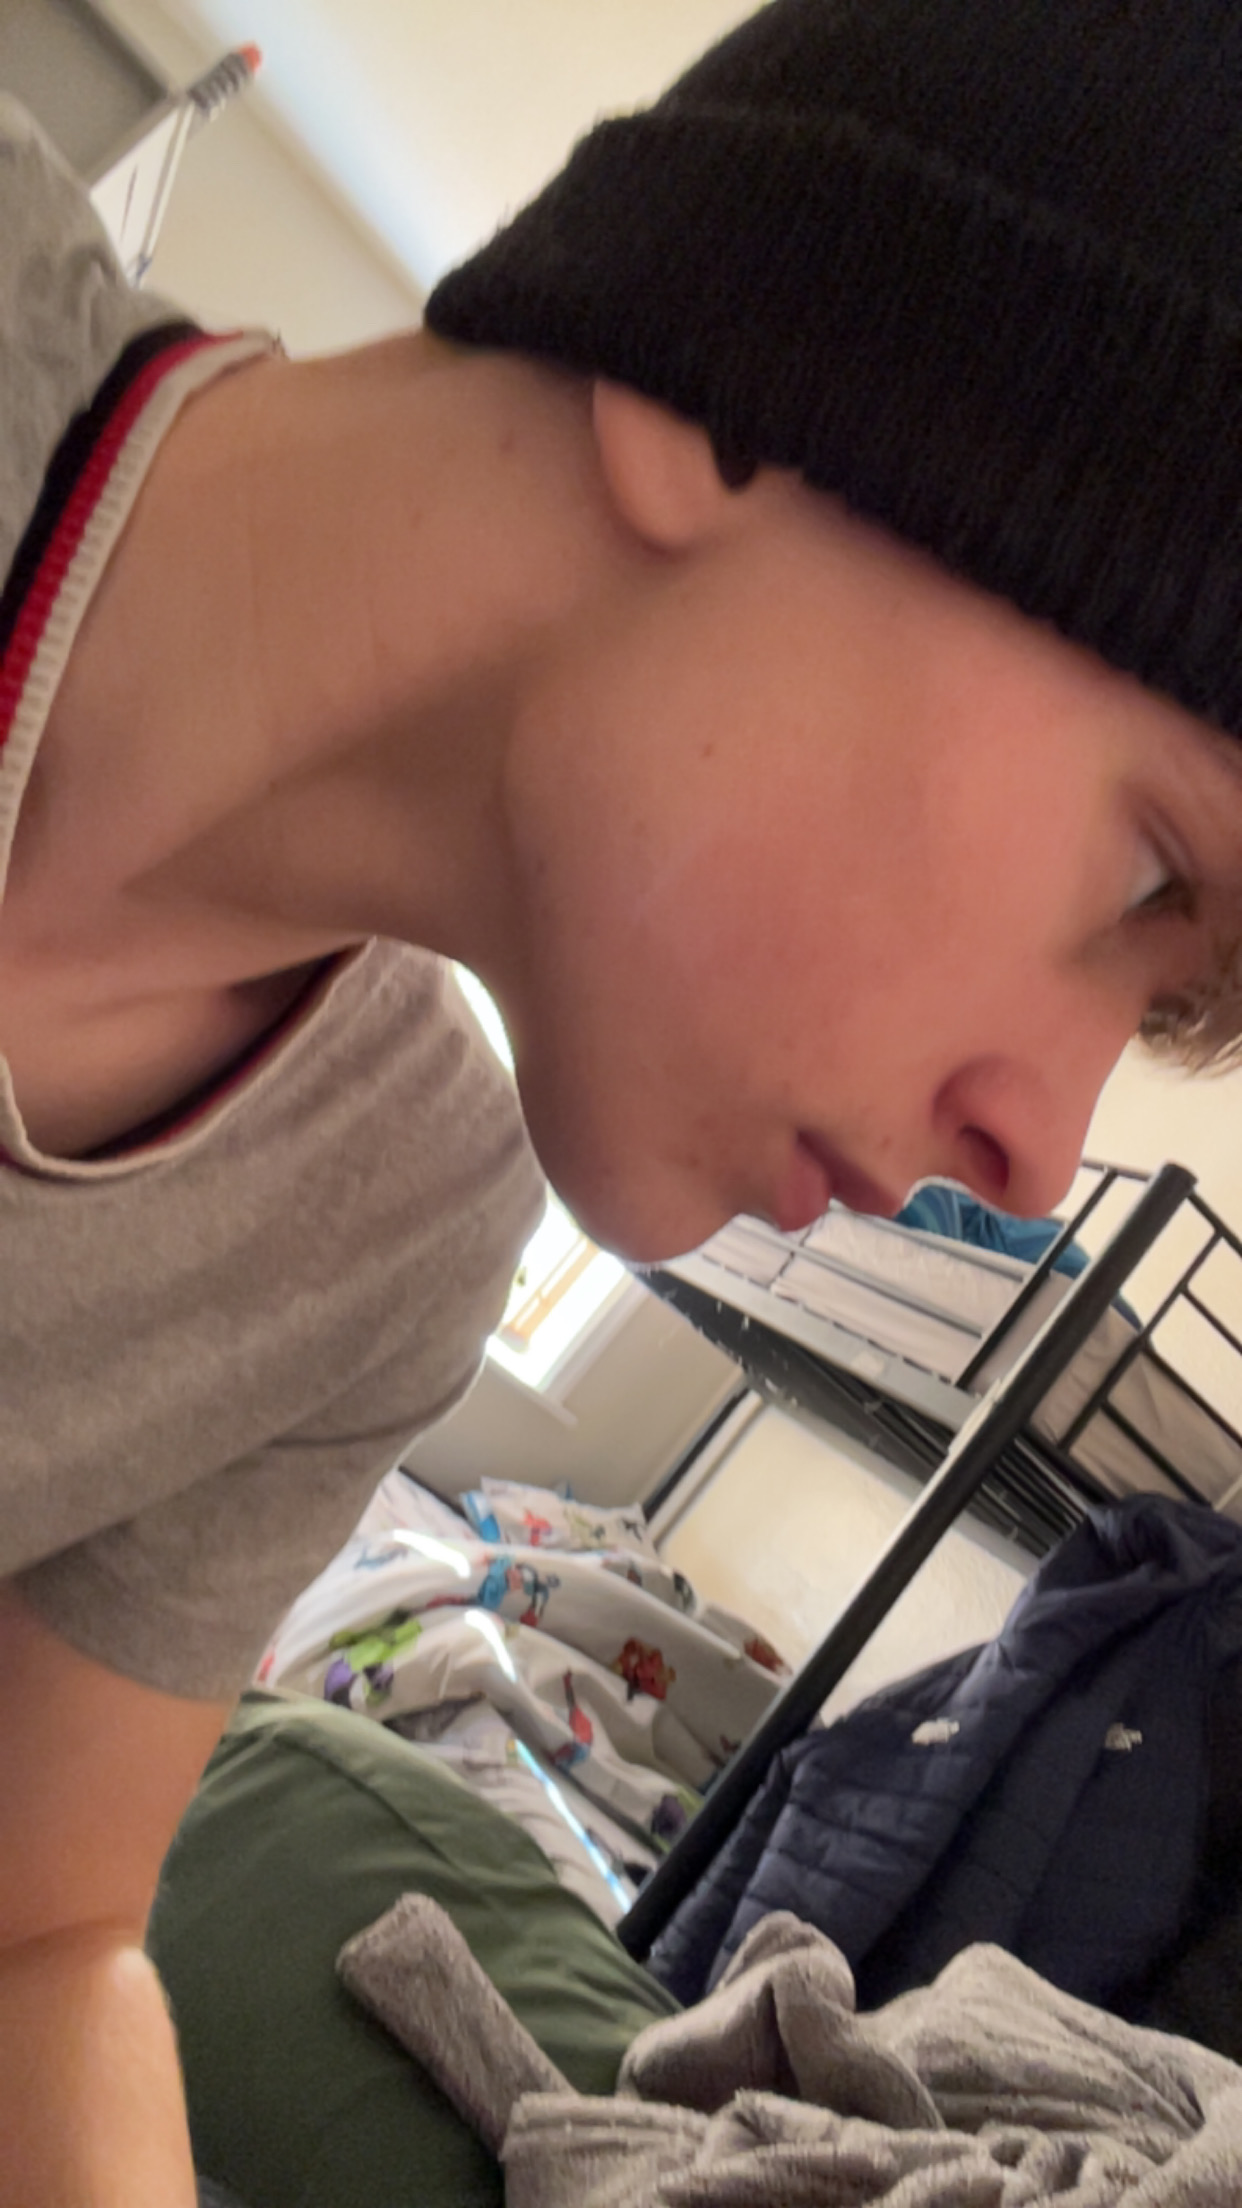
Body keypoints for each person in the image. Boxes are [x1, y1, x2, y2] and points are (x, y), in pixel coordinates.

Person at [5, 0, 1242, 2196]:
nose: (1042, 1159)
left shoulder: (393, 1234)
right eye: (1153, 871)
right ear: (782, 373)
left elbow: (45, 1930)